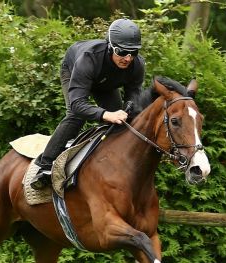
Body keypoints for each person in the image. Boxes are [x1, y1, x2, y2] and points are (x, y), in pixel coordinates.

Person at [30, 18, 145, 190]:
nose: (128, 58)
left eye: (133, 52)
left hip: (105, 84)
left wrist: (129, 113)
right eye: (122, 52)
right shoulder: (88, 59)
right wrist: (106, 114)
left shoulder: (137, 65)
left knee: (122, 121)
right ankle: (45, 165)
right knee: (76, 115)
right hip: (74, 69)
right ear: (110, 46)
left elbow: (133, 99)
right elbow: (78, 104)